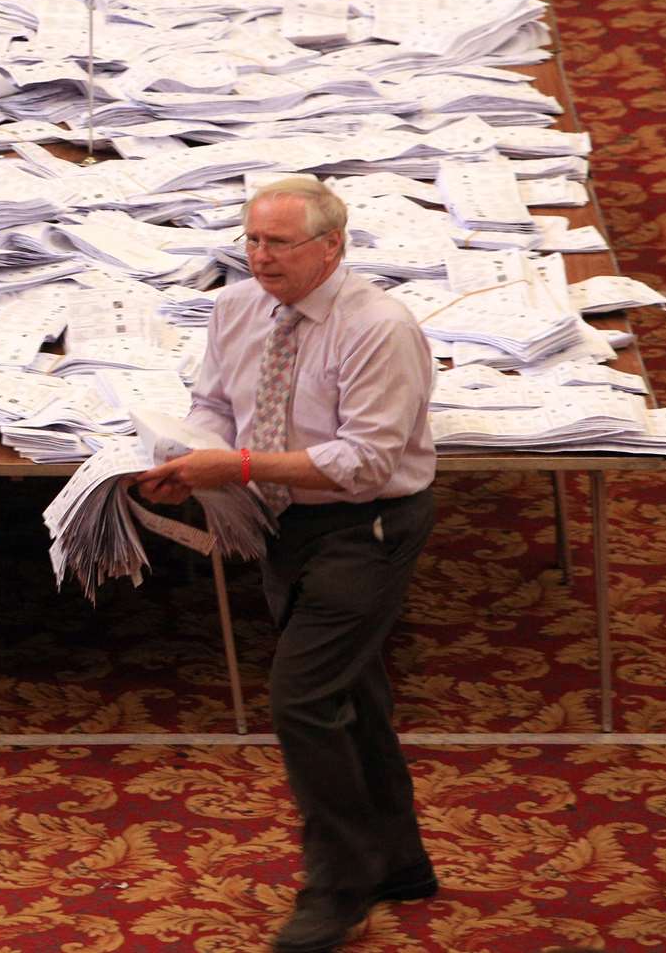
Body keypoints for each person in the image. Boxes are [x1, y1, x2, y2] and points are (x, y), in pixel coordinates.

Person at [134, 178, 439, 953]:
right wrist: (187, 450)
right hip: (282, 520)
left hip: (365, 527)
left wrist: (231, 467)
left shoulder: (379, 329)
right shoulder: (235, 308)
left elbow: (366, 463)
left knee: (304, 701)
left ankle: (338, 891)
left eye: (278, 244)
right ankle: (398, 860)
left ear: (330, 247)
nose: (259, 257)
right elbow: (216, 404)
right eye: (252, 240)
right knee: (352, 689)